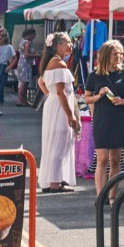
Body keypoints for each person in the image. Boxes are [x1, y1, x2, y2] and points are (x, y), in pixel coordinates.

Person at [86, 42, 124, 196]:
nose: (119, 57)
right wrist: (99, 95)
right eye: (116, 54)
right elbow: (87, 98)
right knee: (102, 159)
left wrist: (123, 101)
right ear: (106, 55)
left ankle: (111, 196)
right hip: (102, 119)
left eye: (121, 53)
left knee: (115, 160)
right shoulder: (94, 76)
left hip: (119, 118)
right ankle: (100, 195)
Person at [39, 33, 82, 194]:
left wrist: (49, 95)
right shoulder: (59, 64)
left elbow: (41, 82)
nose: (71, 45)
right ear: (58, 45)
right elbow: (61, 92)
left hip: (53, 106)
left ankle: (53, 179)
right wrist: (70, 115)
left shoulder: (50, 63)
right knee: (60, 144)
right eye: (67, 42)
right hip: (59, 108)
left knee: (53, 142)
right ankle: (55, 182)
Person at [18, 31, 41, 106]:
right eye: (33, 36)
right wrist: (36, 55)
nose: (34, 38)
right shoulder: (27, 43)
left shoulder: (22, 41)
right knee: (24, 82)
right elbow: (27, 54)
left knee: (25, 82)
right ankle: (20, 100)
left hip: (22, 63)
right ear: (30, 35)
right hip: (26, 64)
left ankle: (24, 100)